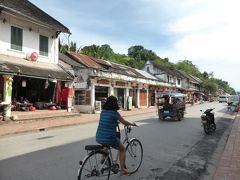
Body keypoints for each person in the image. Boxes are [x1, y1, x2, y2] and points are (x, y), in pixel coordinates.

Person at [96, 95, 136, 175]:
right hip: (109, 137)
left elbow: (107, 122)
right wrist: (132, 124)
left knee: (106, 145)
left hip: (99, 136)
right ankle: (122, 170)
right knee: (122, 149)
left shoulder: (103, 112)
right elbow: (124, 122)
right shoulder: (115, 113)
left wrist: (114, 122)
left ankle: (104, 158)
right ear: (115, 104)